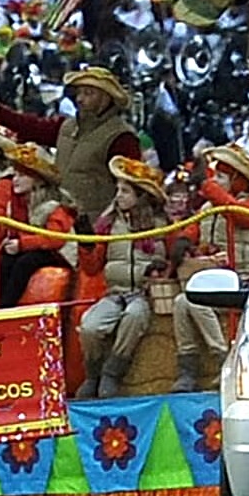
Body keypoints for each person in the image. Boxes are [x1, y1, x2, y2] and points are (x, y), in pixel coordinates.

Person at [77, 156, 174, 398]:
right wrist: (86, 245)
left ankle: (113, 371)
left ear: (139, 195)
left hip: (143, 294)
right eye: (118, 190)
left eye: (125, 191)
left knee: (135, 316)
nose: (118, 195)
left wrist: (161, 268)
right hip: (114, 293)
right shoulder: (108, 223)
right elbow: (92, 267)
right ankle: (93, 374)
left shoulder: (161, 224)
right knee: (90, 326)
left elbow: (174, 258)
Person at [174, 143, 249, 391]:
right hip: (213, 278)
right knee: (181, 303)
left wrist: (208, 187)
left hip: (243, 280)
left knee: (195, 300)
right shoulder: (208, 208)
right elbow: (193, 230)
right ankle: (188, 369)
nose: (216, 180)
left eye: (222, 176)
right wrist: (182, 242)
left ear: (239, 181)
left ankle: (223, 356)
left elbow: (241, 216)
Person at [0, 66, 142, 220]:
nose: (79, 98)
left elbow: (132, 187)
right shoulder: (67, 126)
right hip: (59, 217)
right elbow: (31, 127)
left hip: (94, 225)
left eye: (88, 93)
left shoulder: (122, 137)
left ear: (106, 98)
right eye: (79, 92)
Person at [0, 141, 79, 307]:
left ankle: (6, 308)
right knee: (5, 260)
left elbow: (55, 240)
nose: (15, 180)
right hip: (38, 248)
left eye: (21, 176)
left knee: (25, 262)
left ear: (36, 179)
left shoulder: (55, 206)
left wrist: (21, 244)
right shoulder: (23, 203)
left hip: (59, 253)